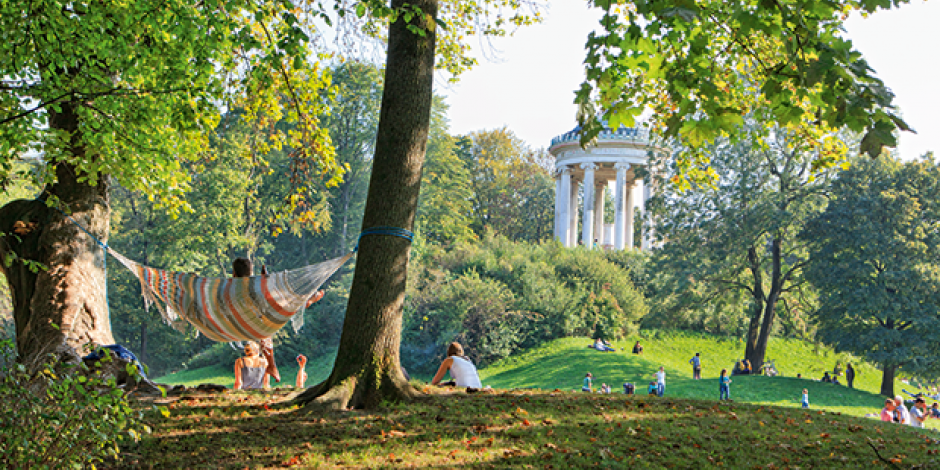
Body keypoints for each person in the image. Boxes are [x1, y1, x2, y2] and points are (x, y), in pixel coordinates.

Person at [232, 257, 326, 387]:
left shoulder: (231, 285)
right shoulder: (250, 285)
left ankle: (305, 301)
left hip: (251, 317)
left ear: (234, 273)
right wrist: (264, 279)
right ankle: (305, 300)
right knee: (278, 306)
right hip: (255, 317)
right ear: (251, 271)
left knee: (272, 312)